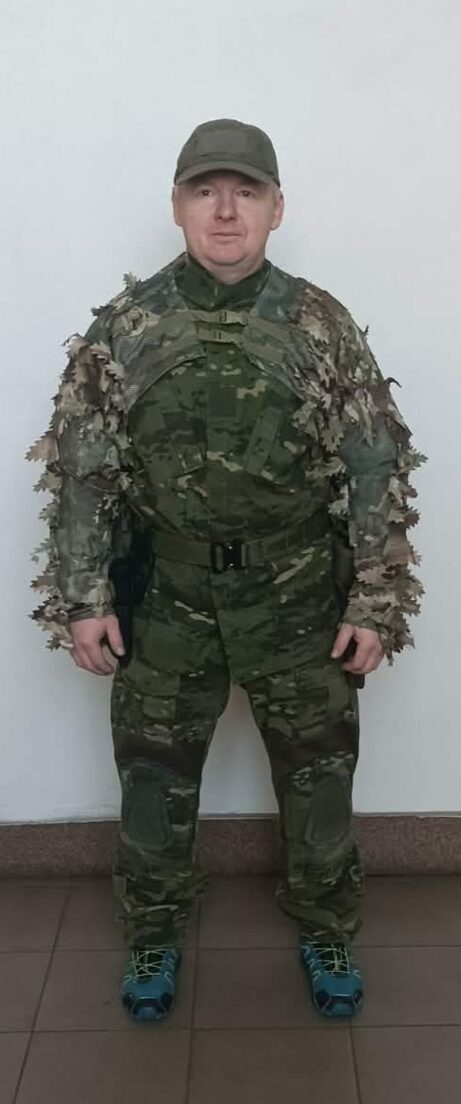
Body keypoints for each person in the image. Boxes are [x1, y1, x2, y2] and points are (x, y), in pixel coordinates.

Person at [27, 118, 424, 1023]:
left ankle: (326, 929)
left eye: (245, 192)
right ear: (176, 206)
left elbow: (374, 466)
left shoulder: (320, 324)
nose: (225, 211)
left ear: (276, 208)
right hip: (167, 594)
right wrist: (83, 597)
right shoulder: (125, 327)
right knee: (153, 778)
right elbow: (84, 471)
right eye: (205, 191)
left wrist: (375, 597)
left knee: (318, 776)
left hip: (297, 593)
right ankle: (153, 933)